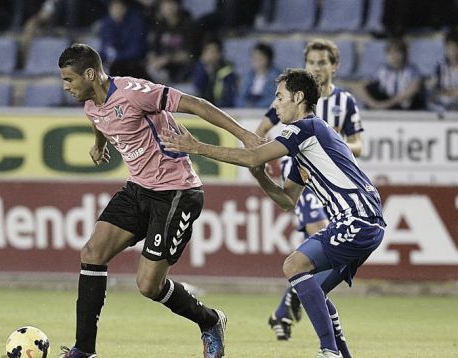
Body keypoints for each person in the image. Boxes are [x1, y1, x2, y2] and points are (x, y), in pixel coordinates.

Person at [161, 68, 386, 358]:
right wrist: (260, 176)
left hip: (356, 218)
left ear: (299, 97)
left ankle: (328, 351)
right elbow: (286, 200)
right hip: (367, 222)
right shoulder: (303, 147)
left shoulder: (306, 128)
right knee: (313, 292)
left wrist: (196, 147)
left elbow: (254, 154)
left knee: (294, 266)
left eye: (280, 97)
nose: (275, 104)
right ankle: (340, 354)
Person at [57, 43, 260, 358]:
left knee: (149, 286)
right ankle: (84, 350)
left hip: (176, 192)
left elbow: (195, 104)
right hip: (138, 188)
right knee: (92, 252)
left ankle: (210, 320)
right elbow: (100, 119)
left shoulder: (134, 92)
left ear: (90, 74)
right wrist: (99, 144)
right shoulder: (90, 105)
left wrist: (245, 135)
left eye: (69, 80)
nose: (65, 87)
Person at [255, 39, 363, 356]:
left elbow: (359, 145)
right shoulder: (289, 101)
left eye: (322, 62)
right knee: (311, 263)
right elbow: (260, 129)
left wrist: (335, 143)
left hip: (333, 184)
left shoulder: (344, 101)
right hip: (305, 181)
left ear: (334, 66)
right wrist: (261, 155)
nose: (316, 67)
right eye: (311, 62)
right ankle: (326, 341)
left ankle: (290, 313)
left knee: (309, 270)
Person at [354, 37, 424, 110]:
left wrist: (388, 104)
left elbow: (414, 88)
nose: (394, 56)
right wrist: (374, 104)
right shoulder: (381, 70)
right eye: (390, 53)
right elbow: (360, 88)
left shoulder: (411, 70)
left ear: (405, 54)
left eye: (397, 53)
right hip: (384, 101)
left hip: (404, 105)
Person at [192, 36, 238, 108]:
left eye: (212, 51)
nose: (209, 55)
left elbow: (229, 97)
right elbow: (198, 87)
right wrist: (203, 67)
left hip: (223, 110)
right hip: (205, 109)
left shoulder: (227, 72)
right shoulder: (201, 68)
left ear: (219, 54)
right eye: (207, 51)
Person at [236, 42, 280, 108]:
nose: (256, 60)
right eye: (254, 57)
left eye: (260, 58)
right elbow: (240, 97)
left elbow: (276, 98)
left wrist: (257, 106)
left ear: (268, 59)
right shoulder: (248, 76)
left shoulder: (277, 77)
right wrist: (245, 105)